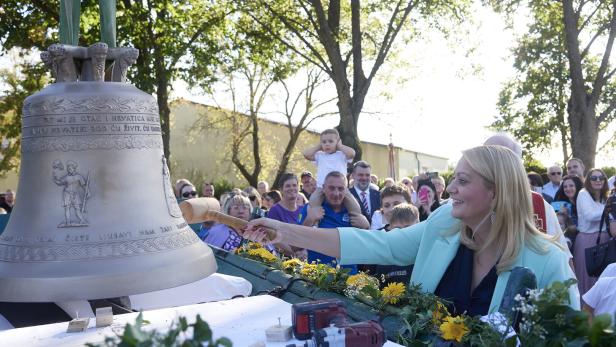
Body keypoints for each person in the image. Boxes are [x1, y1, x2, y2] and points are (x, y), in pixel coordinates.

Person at [244, 146, 579, 316]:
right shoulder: (444, 224)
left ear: (497, 191)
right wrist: (285, 232)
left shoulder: (547, 262)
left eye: (463, 181)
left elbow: (566, 335)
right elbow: (378, 245)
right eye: (453, 180)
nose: (450, 191)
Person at [298, 171, 369, 272]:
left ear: (346, 190)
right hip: (318, 277)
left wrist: (366, 228)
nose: (336, 193)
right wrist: (309, 221)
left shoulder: (354, 211)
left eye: (341, 189)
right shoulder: (311, 209)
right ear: (323, 188)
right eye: (331, 188)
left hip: (349, 278)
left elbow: (367, 248)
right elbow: (295, 247)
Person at [302, 129, 363, 220]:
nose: (327, 144)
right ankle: (315, 222)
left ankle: (356, 223)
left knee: (355, 208)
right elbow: (306, 154)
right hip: (321, 188)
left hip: (341, 188)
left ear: (337, 142)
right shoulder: (320, 155)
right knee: (313, 202)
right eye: (324, 142)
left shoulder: (342, 154)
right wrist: (319, 146)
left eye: (330, 141)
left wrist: (340, 146)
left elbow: (352, 153)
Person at [574, 168, 610, 297]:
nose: (598, 180)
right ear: (588, 181)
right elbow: (590, 216)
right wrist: (609, 208)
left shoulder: (606, 196)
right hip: (587, 240)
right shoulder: (583, 194)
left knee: (604, 278)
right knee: (588, 279)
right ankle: (586, 314)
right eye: (594, 178)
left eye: (601, 178)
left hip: (605, 240)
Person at [373, 203, 420, 288]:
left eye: (408, 228)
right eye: (397, 229)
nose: (403, 233)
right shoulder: (384, 257)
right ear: (390, 228)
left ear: (418, 225)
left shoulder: (424, 253)